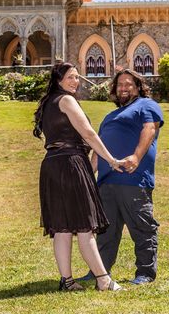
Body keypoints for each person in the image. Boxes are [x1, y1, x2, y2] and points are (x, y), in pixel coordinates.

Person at [33, 62, 124, 291]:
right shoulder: (66, 100)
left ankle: (67, 281)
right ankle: (103, 280)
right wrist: (111, 160)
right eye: (71, 77)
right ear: (58, 80)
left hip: (52, 166)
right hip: (71, 164)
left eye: (77, 77)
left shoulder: (47, 103)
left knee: (62, 228)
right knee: (85, 226)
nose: (76, 81)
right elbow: (88, 133)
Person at [80, 69, 164, 285]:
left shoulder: (147, 105)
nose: (123, 88)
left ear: (138, 87)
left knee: (142, 227)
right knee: (106, 232)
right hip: (107, 183)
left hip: (133, 179)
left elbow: (149, 129)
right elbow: (100, 148)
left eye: (128, 84)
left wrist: (136, 157)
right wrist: (90, 174)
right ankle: (99, 272)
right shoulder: (109, 117)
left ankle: (145, 273)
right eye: (120, 85)